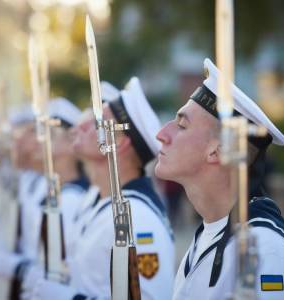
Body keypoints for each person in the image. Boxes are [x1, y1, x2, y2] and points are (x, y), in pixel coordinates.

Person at [155, 58, 284, 299]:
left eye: (182, 125)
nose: (161, 134)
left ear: (219, 150)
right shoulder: (210, 233)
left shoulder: (265, 251)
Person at [24, 77, 175, 300]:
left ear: (121, 143)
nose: (79, 125)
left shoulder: (137, 216)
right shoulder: (97, 199)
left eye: (97, 122)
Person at [0, 98, 89, 298]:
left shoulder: (74, 199)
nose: (40, 140)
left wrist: (21, 268)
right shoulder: (49, 188)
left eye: (51, 134)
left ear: (72, 143)